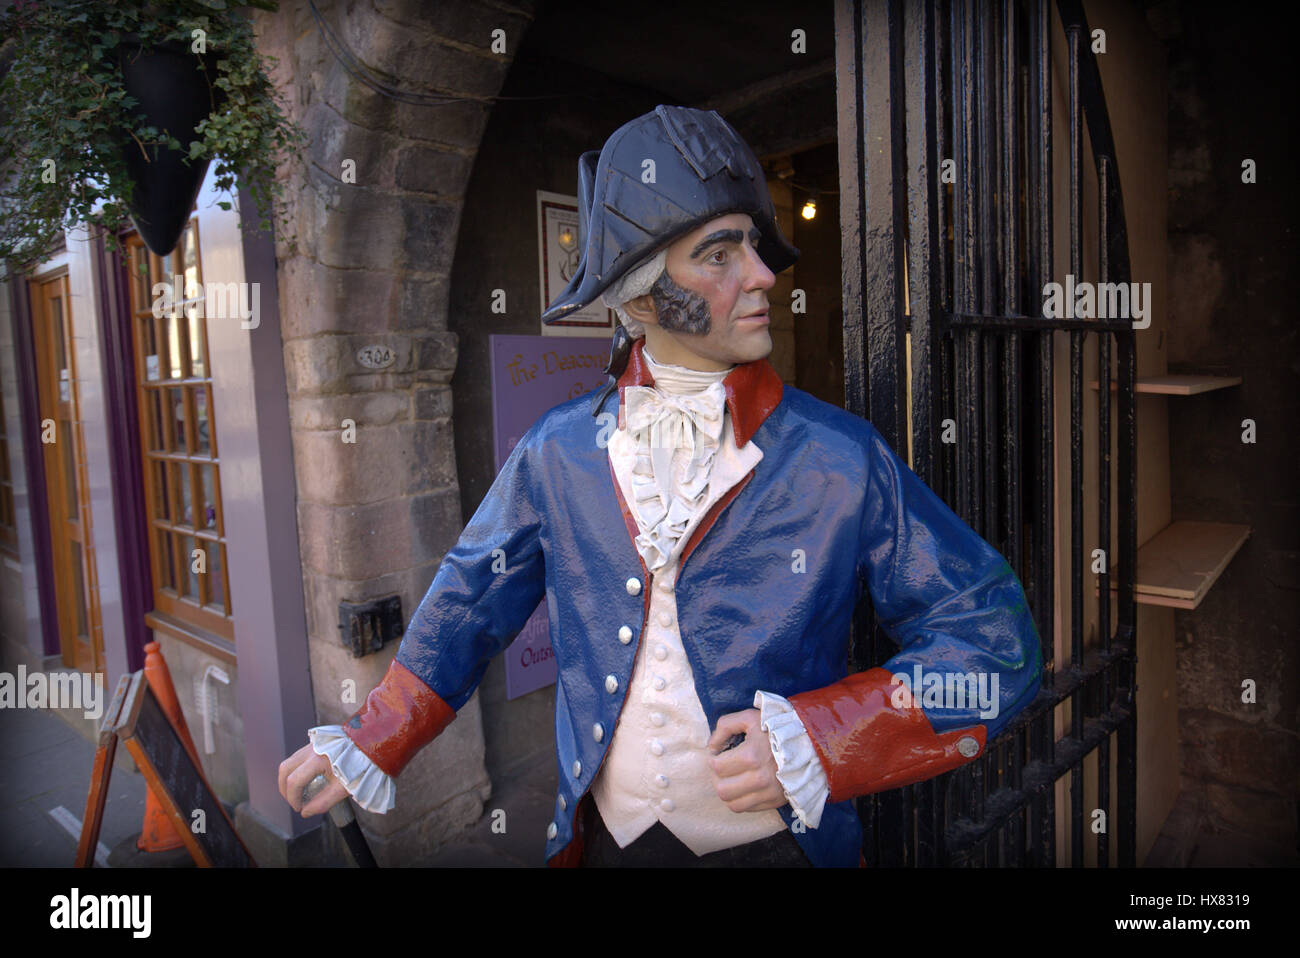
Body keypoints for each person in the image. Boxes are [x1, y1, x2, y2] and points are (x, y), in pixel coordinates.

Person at [278, 105, 1042, 867]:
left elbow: (993, 642)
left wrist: (829, 735)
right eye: (719, 255)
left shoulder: (839, 456)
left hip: (780, 853)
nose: (763, 275)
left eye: (753, 246)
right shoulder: (557, 451)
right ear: (640, 299)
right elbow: (469, 602)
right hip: (610, 846)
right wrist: (372, 739)